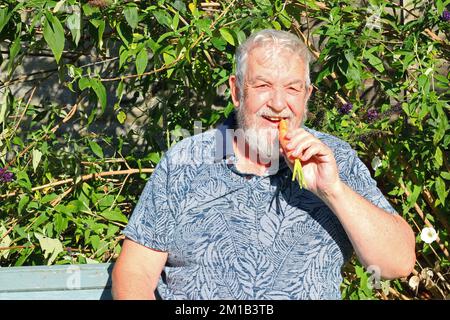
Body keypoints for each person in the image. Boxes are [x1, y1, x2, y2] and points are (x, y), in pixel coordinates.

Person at [112, 29, 416, 300]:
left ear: (307, 95)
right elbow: (134, 273)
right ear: (236, 90)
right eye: (263, 86)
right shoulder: (185, 162)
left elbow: (397, 263)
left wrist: (333, 190)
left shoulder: (335, 159)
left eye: (293, 88)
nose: (279, 104)